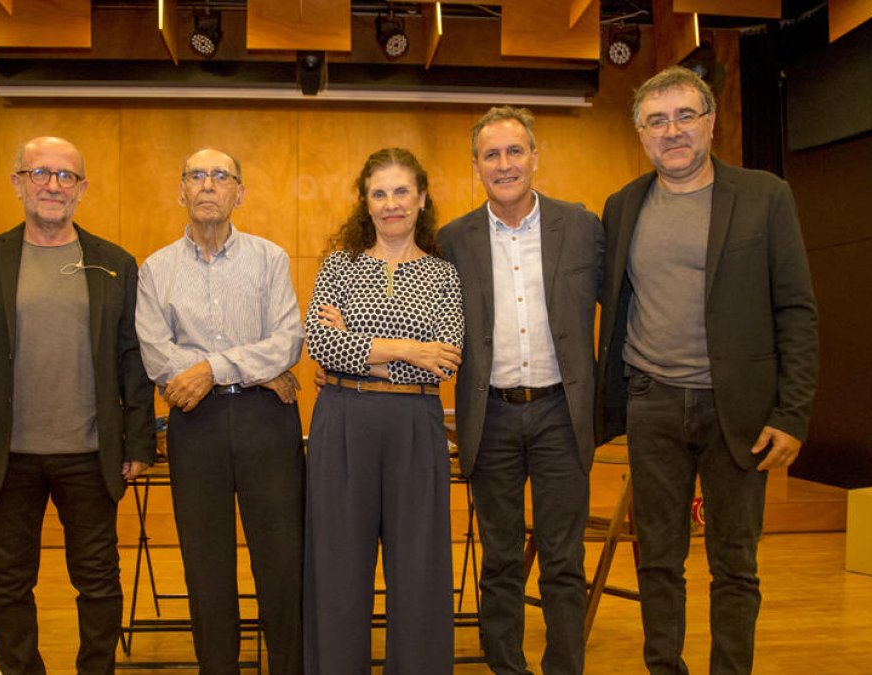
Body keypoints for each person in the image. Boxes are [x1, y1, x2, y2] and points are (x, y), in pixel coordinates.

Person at [595, 66, 819, 674]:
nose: (672, 131)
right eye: (657, 121)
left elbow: (795, 309)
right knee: (658, 559)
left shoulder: (765, 196)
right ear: (641, 133)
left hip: (738, 410)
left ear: (710, 122)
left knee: (735, 563)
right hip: (653, 403)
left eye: (684, 116)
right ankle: (663, 667)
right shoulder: (623, 206)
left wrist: (791, 412)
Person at [0, 136, 156, 674]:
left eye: (65, 176)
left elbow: (134, 360)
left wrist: (140, 439)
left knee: (99, 582)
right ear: (17, 183)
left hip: (90, 453)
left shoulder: (115, 263)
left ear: (82, 189)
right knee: (8, 583)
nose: (52, 185)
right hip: (6, 456)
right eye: (40, 173)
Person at [438, 107, 604, 675]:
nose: (504, 164)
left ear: (535, 156)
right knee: (501, 559)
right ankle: (506, 667)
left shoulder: (581, 227)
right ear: (476, 166)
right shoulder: (452, 239)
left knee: (564, 560)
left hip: (562, 412)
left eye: (515, 152)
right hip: (492, 418)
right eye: (491, 155)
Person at [135, 148, 305, 675]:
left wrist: (213, 370)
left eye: (221, 176)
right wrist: (246, 366)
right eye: (196, 176)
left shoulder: (269, 258)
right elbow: (155, 353)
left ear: (240, 193)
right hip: (196, 424)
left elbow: (289, 341)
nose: (208, 184)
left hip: (265, 422)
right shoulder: (155, 269)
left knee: (281, 561)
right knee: (206, 564)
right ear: (180, 191)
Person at [304, 147, 464, 674]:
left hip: (416, 427)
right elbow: (320, 345)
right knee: (338, 567)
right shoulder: (339, 265)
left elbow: (443, 360)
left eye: (401, 191)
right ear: (365, 203)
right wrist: (404, 349)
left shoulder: (443, 274)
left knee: (419, 569)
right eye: (379, 193)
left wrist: (361, 346)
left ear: (422, 198)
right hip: (342, 423)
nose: (391, 203)